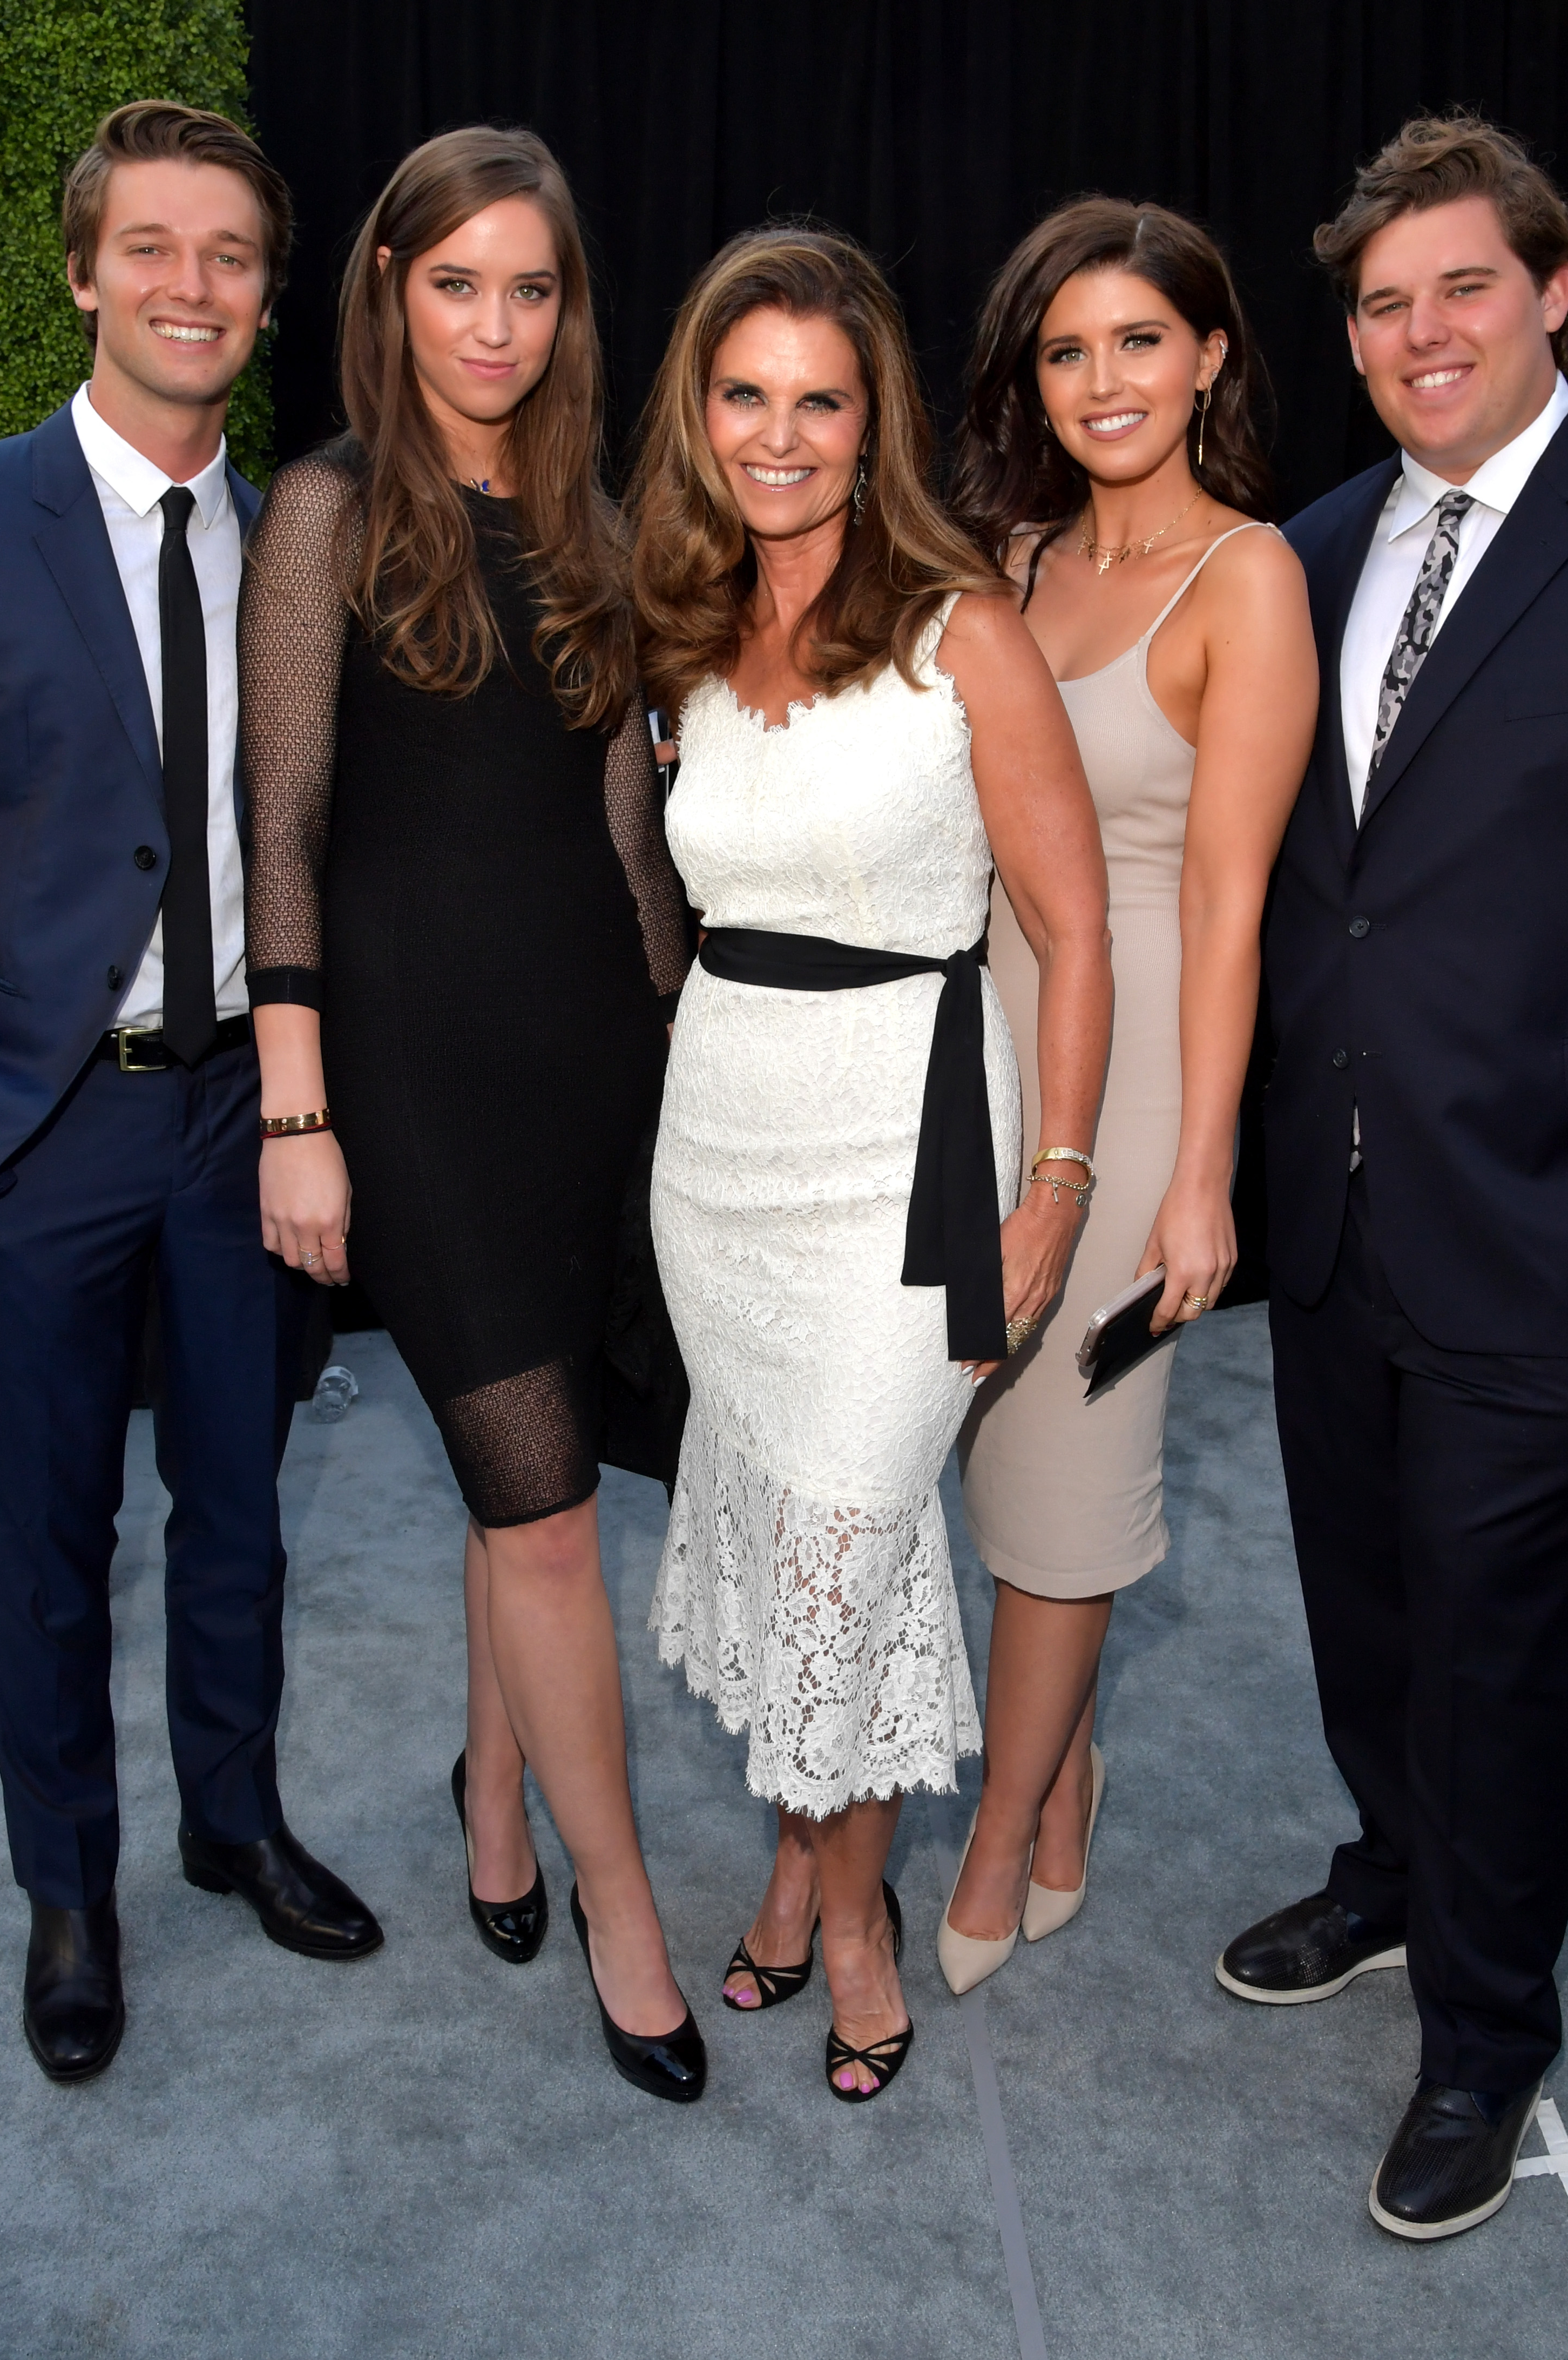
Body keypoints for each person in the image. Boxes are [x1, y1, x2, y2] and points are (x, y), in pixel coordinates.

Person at [1216, 115, 1568, 2240]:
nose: (1419, 328)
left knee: (1509, 1647)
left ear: (1553, 290)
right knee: (1367, 1603)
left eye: (1461, 283)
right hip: (1345, 1214)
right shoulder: (1311, 544)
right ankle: (1388, 1872)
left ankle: (1483, 2024)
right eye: (1380, 301)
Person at [0, 102, 383, 2089]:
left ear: (267, 302)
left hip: (238, 1119)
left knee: (244, 1509)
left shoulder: (301, 542)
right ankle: (68, 1893)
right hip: (28, 1128)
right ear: (88, 271)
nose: (194, 287)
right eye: (156, 250)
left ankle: (233, 1819)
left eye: (233, 258)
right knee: (43, 1538)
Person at [242, 126, 704, 2105]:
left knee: (539, 1475)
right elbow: (284, 818)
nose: (495, 324)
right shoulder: (331, 508)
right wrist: (296, 1100)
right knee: (536, 1514)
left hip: (599, 1057)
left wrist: (708, 1050)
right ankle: (626, 1911)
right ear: (390, 292)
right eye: (458, 284)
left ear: (567, 307)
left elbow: (624, 829)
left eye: (531, 287)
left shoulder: (600, 520)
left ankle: (497, 1801)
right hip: (416, 1084)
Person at [630, 227, 1112, 2100]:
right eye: (745, 394)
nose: (779, 433)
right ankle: (786, 1863)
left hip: (911, 1148)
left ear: (871, 419)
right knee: (765, 1517)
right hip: (722, 1143)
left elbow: (1072, 931)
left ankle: (852, 1913)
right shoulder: (686, 620)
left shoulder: (960, 630)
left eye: (818, 400)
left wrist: (1056, 1186)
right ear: (700, 410)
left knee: (846, 1526)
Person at [943, 202, 1316, 1991]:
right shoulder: (1002, 556)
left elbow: (1238, 901)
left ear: (1212, 356)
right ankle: (1064, 1750)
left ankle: (1007, 1825)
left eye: (1141, 342)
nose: (1105, 381)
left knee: (1072, 1465)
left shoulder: (1245, 577)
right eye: (1069, 348)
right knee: (972, 1438)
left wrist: (1202, 1177)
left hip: (1154, 1052)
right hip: (976, 1049)